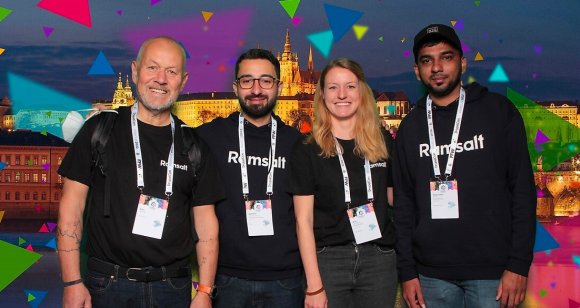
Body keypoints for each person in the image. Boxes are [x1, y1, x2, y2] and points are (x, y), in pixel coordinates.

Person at [57, 36, 223, 308]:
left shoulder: (194, 145)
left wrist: (205, 290)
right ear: (134, 71)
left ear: (183, 81)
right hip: (107, 285)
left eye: (171, 72)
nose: (161, 79)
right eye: (152, 67)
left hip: (173, 286)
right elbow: (71, 208)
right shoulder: (99, 130)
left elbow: (206, 226)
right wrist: (72, 283)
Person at [393, 24, 536, 308]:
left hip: (493, 274)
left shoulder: (499, 112)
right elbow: (404, 205)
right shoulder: (410, 127)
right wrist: (407, 272)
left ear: (462, 62)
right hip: (430, 276)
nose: (436, 67)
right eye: (426, 60)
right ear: (417, 71)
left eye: (446, 57)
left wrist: (518, 265)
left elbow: (522, 192)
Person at [196, 48, 304, 307]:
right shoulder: (208, 136)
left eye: (265, 80)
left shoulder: (298, 144)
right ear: (235, 87)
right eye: (247, 80)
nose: (256, 89)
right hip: (227, 278)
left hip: (286, 279)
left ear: (278, 86)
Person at [288, 58, 397, 308]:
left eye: (350, 86)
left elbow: (396, 198)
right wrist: (314, 285)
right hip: (329, 260)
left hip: (379, 259)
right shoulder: (307, 149)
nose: (342, 94)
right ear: (322, 95)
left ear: (362, 91)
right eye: (333, 87)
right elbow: (303, 221)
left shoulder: (383, 141)